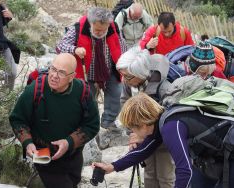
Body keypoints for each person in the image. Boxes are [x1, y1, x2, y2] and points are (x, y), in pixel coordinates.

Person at [93, 92, 234, 188]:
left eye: (132, 128)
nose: (132, 133)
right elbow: (143, 150)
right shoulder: (163, 120)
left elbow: (185, 171)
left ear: (142, 125)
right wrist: (112, 167)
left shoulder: (171, 127)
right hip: (218, 156)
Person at [9, 53, 100, 188]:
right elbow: (17, 119)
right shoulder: (35, 89)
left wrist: (68, 143)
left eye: (61, 73)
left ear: (72, 77)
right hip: (43, 155)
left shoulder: (83, 92)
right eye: (53, 69)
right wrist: (27, 143)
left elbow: (92, 125)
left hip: (72, 156)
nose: (54, 76)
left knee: (72, 183)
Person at [56, 7, 127, 130]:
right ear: (91, 22)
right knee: (88, 101)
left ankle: (108, 122)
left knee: (117, 94)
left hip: (110, 70)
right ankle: (90, 126)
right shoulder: (79, 28)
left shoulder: (113, 27)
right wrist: (75, 49)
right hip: (86, 73)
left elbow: (122, 46)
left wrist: (125, 64)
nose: (99, 32)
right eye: (97, 29)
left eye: (103, 30)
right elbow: (60, 45)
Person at [116, 46, 175, 188]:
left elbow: (169, 119)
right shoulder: (129, 81)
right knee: (149, 173)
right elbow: (126, 106)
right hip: (143, 136)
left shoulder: (164, 86)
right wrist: (133, 133)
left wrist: (142, 136)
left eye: (128, 76)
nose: (124, 79)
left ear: (140, 74)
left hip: (163, 140)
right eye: (122, 75)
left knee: (165, 176)